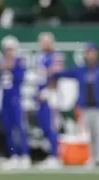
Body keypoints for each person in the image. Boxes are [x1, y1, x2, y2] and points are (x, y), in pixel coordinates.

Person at [56, 43, 99, 167]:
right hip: (85, 106)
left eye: (92, 52)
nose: (90, 55)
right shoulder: (81, 70)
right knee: (88, 134)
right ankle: (92, 157)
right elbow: (67, 73)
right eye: (88, 52)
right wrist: (55, 73)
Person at [0, 36, 30, 170]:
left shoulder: (19, 62)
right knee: (8, 128)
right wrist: (1, 69)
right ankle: (13, 155)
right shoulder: (1, 63)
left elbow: (20, 78)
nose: (8, 52)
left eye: (10, 49)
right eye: (6, 49)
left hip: (16, 98)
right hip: (5, 98)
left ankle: (25, 155)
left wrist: (11, 67)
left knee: (19, 127)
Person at [35, 32, 64, 168]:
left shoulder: (55, 56)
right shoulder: (41, 56)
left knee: (52, 126)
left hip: (52, 95)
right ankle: (51, 154)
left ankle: (55, 156)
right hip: (42, 94)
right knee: (45, 126)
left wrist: (47, 91)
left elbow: (56, 75)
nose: (42, 45)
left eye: (45, 42)